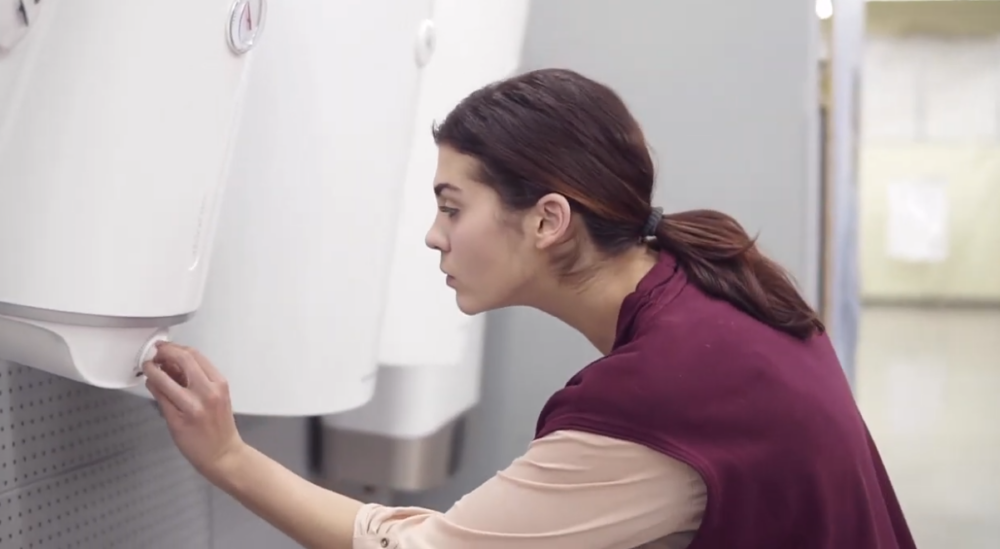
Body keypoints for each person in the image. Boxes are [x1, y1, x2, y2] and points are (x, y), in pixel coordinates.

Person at [142, 68, 916, 549]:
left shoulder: (659, 390)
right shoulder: (711, 286)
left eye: (452, 206)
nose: (433, 235)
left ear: (548, 220)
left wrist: (229, 457)